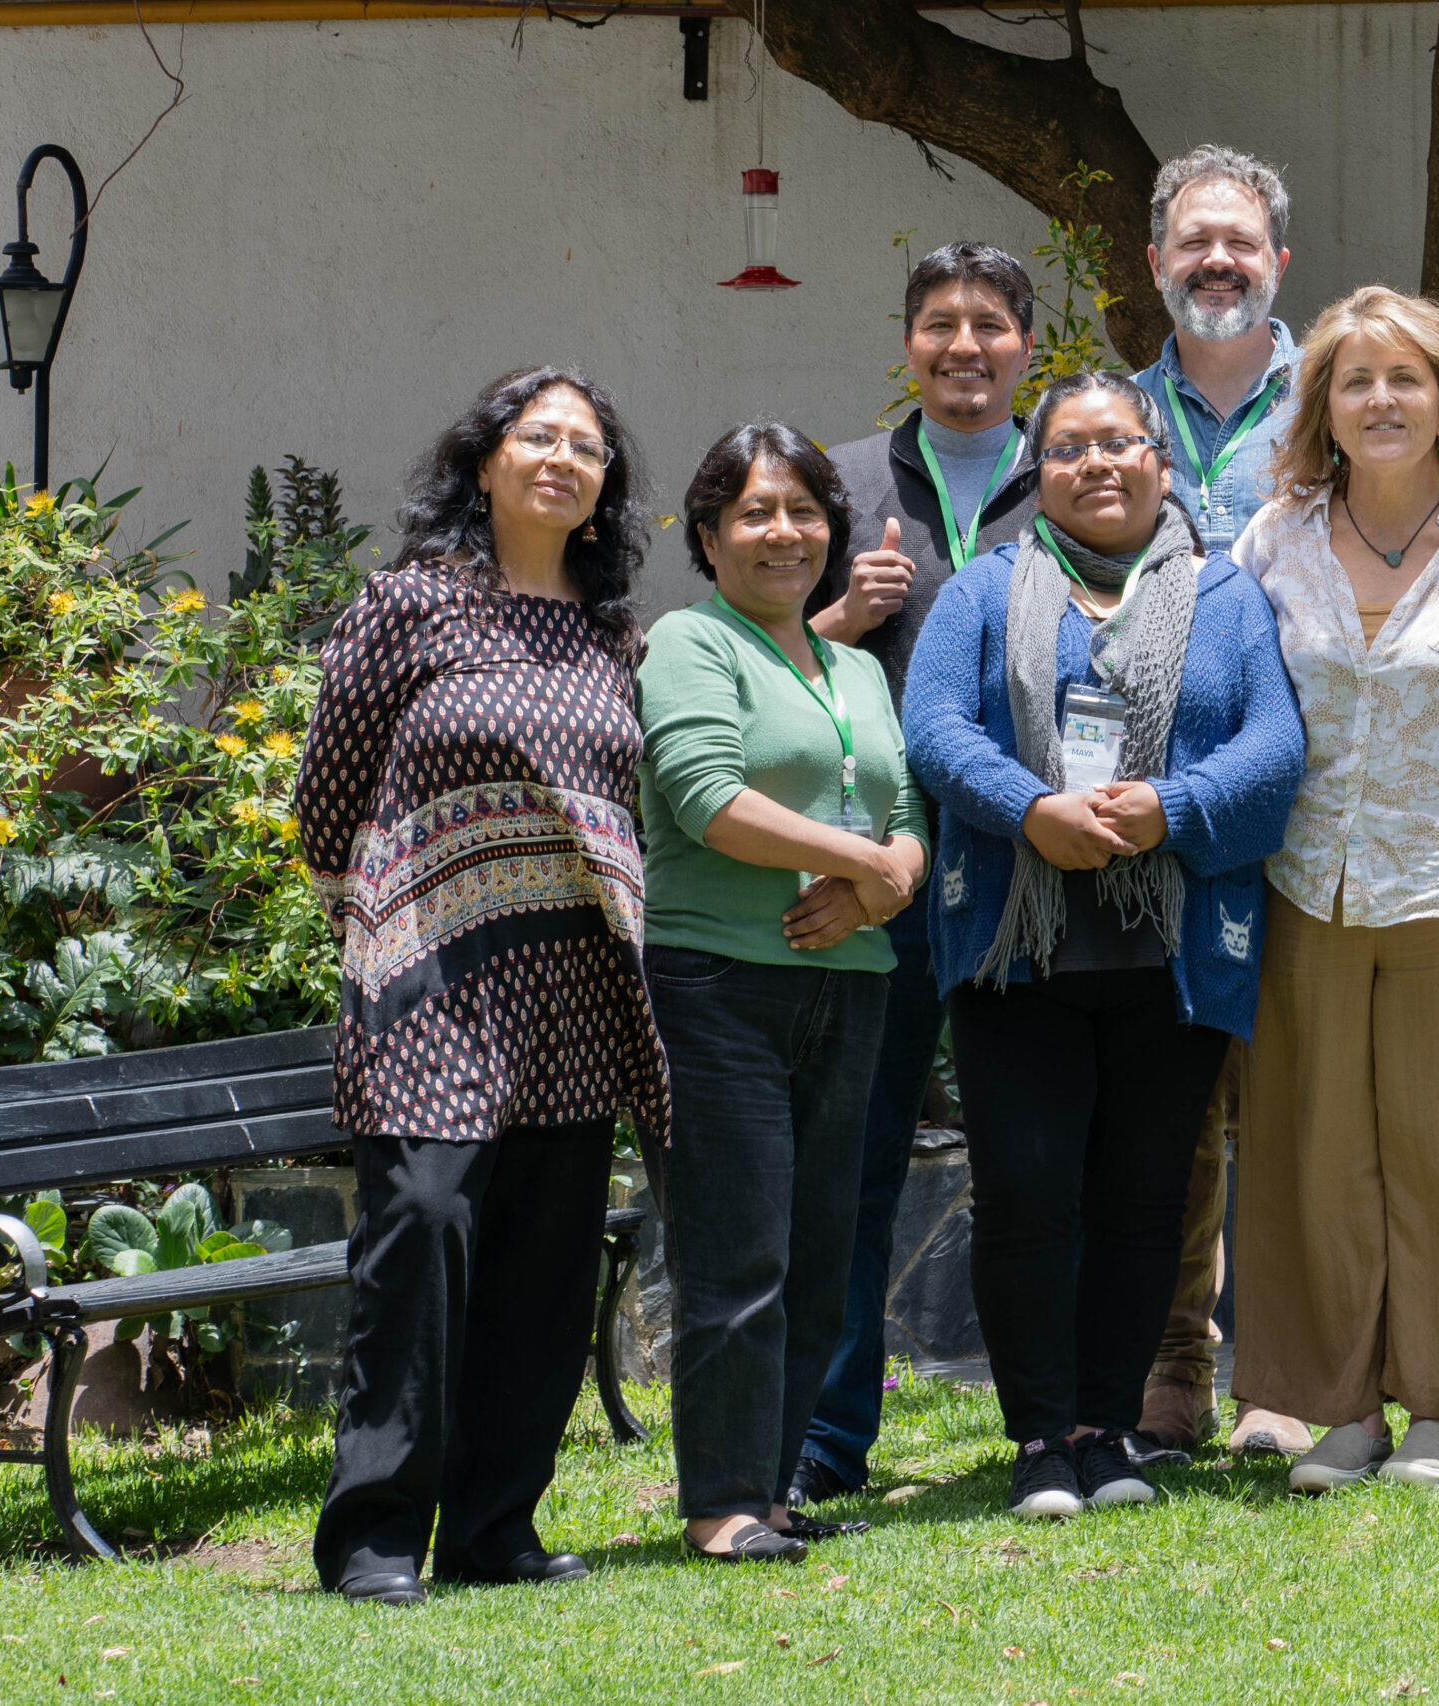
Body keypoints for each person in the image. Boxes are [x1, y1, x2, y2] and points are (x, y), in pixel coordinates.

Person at [902, 369, 1304, 1520]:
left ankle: (1106, 1427)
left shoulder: (1225, 595)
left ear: (1158, 463)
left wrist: (1173, 808)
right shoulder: (984, 589)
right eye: (1070, 447)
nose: (1097, 464)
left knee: (1142, 1200)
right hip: (1016, 951)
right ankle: (1040, 1435)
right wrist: (1030, 807)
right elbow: (933, 727)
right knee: (1026, 1195)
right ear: (1039, 473)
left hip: (1169, 953)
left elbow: (1276, 743)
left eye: (1118, 442)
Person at [301, 366, 666, 1606]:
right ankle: (374, 1535)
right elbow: (328, 795)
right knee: (422, 1229)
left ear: (604, 484)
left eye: (587, 446)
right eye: (538, 436)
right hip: (433, 976)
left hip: (574, 983)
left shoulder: (611, 631)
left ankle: (494, 1523)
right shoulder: (409, 603)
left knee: (543, 1263)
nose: (563, 458)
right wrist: (397, 913)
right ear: (485, 458)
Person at [1229, 286, 1439, 1495]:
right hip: (1304, 876)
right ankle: (1341, 1411)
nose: (1380, 400)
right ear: (1320, 406)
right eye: (1355, 380)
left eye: (1404, 378)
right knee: (1315, 1152)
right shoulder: (1270, 543)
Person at [638, 424, 932, 1561]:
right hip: (717, 984)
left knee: (818, 1255)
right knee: (738, 1248)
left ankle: (769, 1488)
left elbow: (906, 814)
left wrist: (880, 883)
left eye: (804, 511)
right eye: (754, 512)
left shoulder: (853, 666)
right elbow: (706, 795)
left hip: (848, 985)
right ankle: (721, 1500)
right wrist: (863, 862)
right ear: (709, 536)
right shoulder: (691, 641)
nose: (782, 533)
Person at [787, 242, 1041, 1510]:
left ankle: (1056, 1415)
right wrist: (841, 617)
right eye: (939, 322)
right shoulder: (834, 481)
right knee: (851, 1155)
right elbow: (744, 658)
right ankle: (826, 1433)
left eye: (989, 323)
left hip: (1026, 865)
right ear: (906, 344)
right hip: (871, 868)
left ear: (1026, 348)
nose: (964, 345)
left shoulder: (1077, 469)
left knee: (1036, 1153)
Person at [1128, 142, 1311, 1459]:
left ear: (1279, 260)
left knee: (1292, 1096)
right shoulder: (1107, 415)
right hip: (1150, 805)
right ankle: (1170, 1368)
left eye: (1239, 240)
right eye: (1194, 241)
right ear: (1155, 262)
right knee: (1173, 1106)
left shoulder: (1339, 397)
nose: (1217, 261)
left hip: (1309, 798)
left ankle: (1285, 1371)